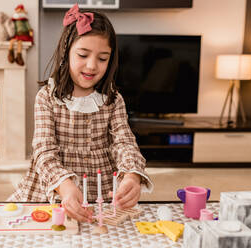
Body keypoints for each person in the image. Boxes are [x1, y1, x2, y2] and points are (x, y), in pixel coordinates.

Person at [8, 4, 153, 223]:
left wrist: (132, 175)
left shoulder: (114, 100)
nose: (92, 65)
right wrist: (64, 185)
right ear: (66, 52)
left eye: (103, 58)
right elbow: (43, 150)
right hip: (57, 187)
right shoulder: (46, 97)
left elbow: (124, 143)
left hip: (101, 190)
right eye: (83, 54)